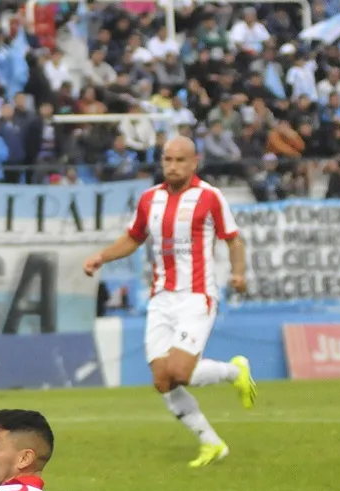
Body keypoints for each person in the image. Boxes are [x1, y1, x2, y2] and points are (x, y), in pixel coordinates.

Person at [83, 136, 257, 468]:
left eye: (180, 160)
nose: (173, 166)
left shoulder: (209, 197)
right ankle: (212, 443)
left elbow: (233, 240)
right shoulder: (150, 199)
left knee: (180, 371)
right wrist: (101, 257)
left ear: (195, 162)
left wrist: (238, 273)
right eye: (168, 160)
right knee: (162, 380)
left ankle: (234, 371)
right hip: (162, 298)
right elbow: (134, 237)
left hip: (197, 295)